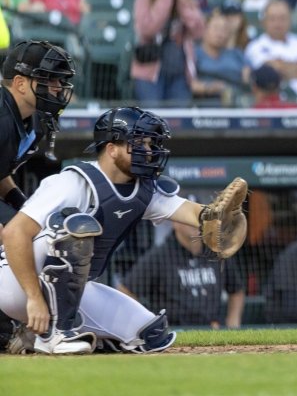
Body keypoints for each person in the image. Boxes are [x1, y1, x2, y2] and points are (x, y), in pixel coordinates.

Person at [0, 106, 247, 354]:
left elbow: (192, 213)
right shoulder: (72, 182)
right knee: (75, 228)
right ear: (112, 149)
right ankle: (53, 334)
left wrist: (213, 216)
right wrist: (33, 298)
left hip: (66, 291)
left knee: (150, 335)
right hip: (14, 281)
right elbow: (13, 234)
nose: (149, 151)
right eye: (140, 143)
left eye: (150, 144)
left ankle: (34, 335)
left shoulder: (143, 189)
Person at [0, 41, 75, 229]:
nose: (58, 87)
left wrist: (23, 205)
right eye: (48, 79)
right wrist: (13, 223)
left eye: (59, 80)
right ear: (20, 83)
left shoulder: (37, 121)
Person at [119, 221, 245, 328]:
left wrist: (233, 324)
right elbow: (125, 291)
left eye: (197, 218)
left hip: (212, 329)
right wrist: (144, 324)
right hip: (173, 331)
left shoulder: (216, 253)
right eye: (187, 219)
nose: (194, 223)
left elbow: (236, 290)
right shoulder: (159, 256)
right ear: (175, 223)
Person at [131, 0, 205, 106]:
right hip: (150, 73)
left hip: (179, 73)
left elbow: (198, 31)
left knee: (179, 123)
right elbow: (147, 29)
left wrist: (183, 1)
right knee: (153, 121)